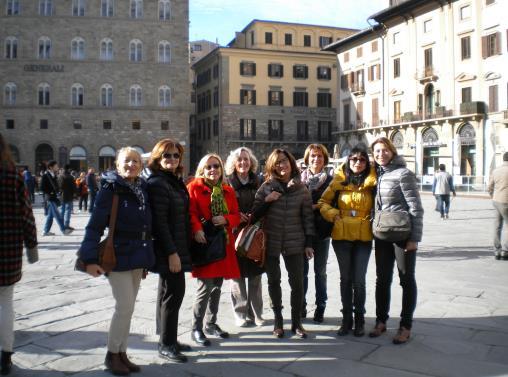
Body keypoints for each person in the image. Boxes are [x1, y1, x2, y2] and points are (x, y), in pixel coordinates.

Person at [78, 147, 155, 375]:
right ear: (117, 164)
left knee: (129, 309)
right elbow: (94, 226)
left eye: (135, 161)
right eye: (126, 161)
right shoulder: (110, 189)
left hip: (138, 255)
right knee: (124, 307)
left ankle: (122, 353)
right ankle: (112, 355)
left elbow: (146, 225)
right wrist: (89, 259)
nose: (131, 165)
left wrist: (147, 257)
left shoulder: (142, 188)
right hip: (118, 256)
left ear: (140, 165)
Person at [251, 149, 315, 339]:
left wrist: (309, 243)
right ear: (272, 165)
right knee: (273, 282)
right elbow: (254, 215)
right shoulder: (265, 187)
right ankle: (278, 321)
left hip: (295, 241)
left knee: (297, 283)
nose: (282, 165)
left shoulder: (302, 189)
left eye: (284, 161)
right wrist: (268, 201)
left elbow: (308, 218)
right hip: (271, 242)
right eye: (277, 162)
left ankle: (297, 323)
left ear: (291, 163)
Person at [368, 137, 424, 344]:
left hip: (402, 235)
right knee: (382, 280)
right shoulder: (376, 175)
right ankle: (381, 321)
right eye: (376, 151)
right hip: (382, 235)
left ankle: (405, 326)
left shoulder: (404, 174)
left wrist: (414, 239)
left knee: (406, 280)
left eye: (384, 150)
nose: (380, 154)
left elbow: (416, 208)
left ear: (392, 151)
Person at [318, 146, 377, 337]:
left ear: (367, 163)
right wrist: (333, 215)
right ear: (348, 161)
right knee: (346, 279)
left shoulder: (373, 182)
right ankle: (346, 320)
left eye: (361, 160)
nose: (357, 163)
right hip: (341, 236)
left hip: (364, 237)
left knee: (359, 280)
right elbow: (322, 203)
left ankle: (359, 319)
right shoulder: (338, 180)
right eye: (354, 159)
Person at [187, 153, 241, 347]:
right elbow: (190, 212)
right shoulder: (193, 188)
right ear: (202, 169)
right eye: (209, 166)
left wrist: (226, 219)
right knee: (205, 288)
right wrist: (197, 229)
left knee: (217, 286)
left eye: (216, 166)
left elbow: (236, 214)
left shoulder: (227, 190)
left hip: (223, 243)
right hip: (204, 243)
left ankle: (211, 323)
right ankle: (196, 328)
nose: (213, 170)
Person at [146, 139, 192, 363]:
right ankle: (166, 344)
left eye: (175, 155)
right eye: (167, 156)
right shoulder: (158, 183)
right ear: (158, 158)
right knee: (174, 294)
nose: (172, 159)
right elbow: (160, 223)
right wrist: (172, 253)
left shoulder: (172, 181)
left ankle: (168, 338)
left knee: (168, 293)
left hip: (176, 245)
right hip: (169, 249)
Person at [0, 134, 38, 376]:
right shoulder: (13, 175)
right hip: (7, 249)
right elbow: (26, 214)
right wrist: (31, 246)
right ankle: (5, 356)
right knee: (5, 303)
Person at [224, 147, 264, 327]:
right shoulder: (227, 183)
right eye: (239, 159)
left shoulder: (258, 181)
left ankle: (257, 313)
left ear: (251, 161)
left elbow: (263, 203)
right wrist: (236, 215)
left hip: (254, 232)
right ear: (233, 163)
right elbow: (222, 206)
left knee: (255, 275)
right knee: (237, 276)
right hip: (234, 233)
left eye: (246, 159)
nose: (243, 162)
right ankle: (240, 313)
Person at [300, 144, 333, 323]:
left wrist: (318, 207)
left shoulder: (331, 181)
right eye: (313, 156)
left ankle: (321, 306)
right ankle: (302, 305)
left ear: (324, 159)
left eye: (320, 156)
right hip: (302, 232)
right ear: (307, 158)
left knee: (320, 272)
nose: (316, 159)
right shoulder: (299, 180)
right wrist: (314, 206)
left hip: (322, 232)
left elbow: (333, 205)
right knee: (302, 272)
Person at [40, 160, 72, 236]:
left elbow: (55, 186)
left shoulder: (53, 175)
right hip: (49, 198)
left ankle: (45, 231)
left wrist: (58, 191)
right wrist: (50, 192)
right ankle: (63, 229)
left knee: (50, 215)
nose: (57, 167)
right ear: (51, 167)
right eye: (56, 166)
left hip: (53, 197)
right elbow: (42, 188)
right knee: (57, 214)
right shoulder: (45, 175)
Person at [488, 152, 508, 260]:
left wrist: (493, 196)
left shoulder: (496, 171)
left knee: (497, 226)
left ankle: (497, 250)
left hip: (496, 201)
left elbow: (489, 187)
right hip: (506, 202)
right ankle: (505, 250)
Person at [59, 164, 76, 231]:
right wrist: (75, 194)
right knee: (68, 210)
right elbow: (73, 187)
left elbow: (59, 186)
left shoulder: (60, 176)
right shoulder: (70, 177)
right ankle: (66, 225)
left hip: (62, 195)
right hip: (69, 195)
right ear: (68, 169)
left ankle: (61, 224)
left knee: (62, 210)